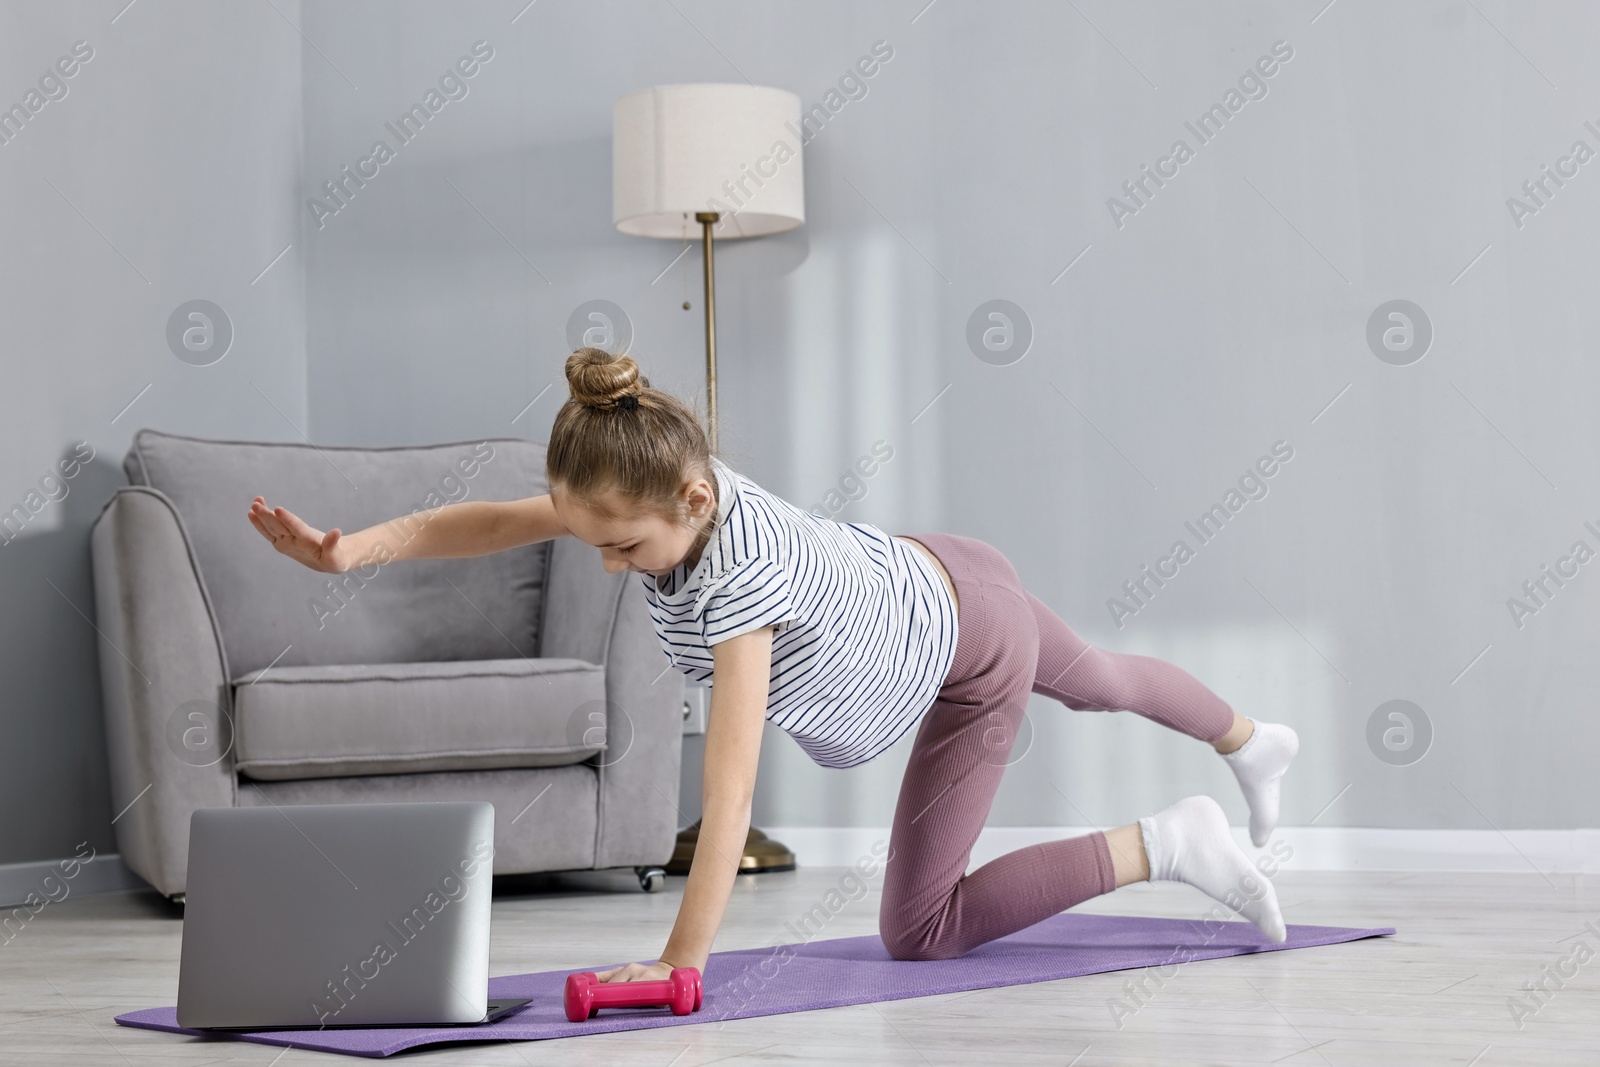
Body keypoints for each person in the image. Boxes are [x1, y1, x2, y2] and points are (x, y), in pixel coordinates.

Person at [247, 347, 1300, 980]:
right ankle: (1252, 739)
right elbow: (488, 521)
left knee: (919, 932)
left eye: (620, 545)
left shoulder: (735, 581)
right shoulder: (658, 475)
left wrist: (681, 958)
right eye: (592, 540)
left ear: (693, 503)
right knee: (1104, 678)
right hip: (945, 571)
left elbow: (732, 783)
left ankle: (1170, 841)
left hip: (962, 650)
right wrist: (351, 551)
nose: (607, 563)